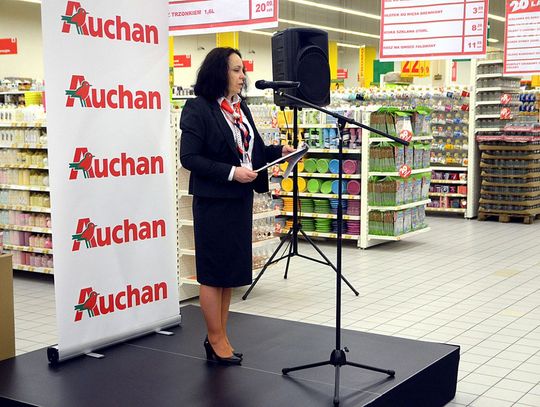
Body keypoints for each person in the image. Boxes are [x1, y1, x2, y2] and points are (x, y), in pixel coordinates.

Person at [179, 47, 294, 365]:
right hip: (214, 202)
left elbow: (252, 152)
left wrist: (278, 151)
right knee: (213, 274)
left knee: (228, 273)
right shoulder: (198, 108)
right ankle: (215, 338)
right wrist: (231, 173)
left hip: (239, 201)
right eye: (236, 70)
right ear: (219, 72)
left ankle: (220, 336)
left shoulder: (239, 107)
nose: (243, 76)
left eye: (243, 70)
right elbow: (189, 157)